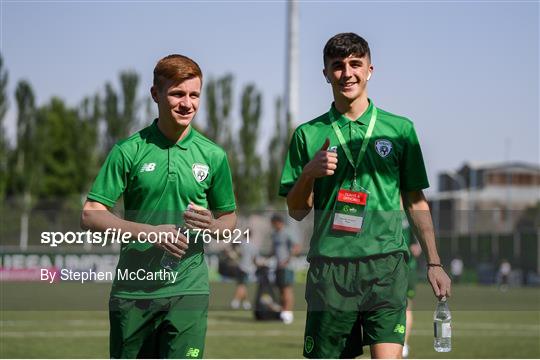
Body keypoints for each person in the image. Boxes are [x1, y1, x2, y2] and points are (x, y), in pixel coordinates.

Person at [279, 33, 451, 359]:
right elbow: (296, 210)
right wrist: (308, 174)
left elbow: (415, 201)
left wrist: (434, 261)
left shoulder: (400, 130)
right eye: (338, 66)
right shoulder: (308, 134)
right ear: (326, 73)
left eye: (355, 64)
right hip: (330, 270)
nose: (348, 73)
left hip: (386, 266)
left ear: (370, 69)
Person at [81, 54, 237, 359]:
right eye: (177, 94)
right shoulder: (128, 151)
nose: (187, 103)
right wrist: (149, 233)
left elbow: (228, 218)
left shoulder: (213, 155)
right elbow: (91, 213)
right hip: (133, 292)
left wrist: (214, 226)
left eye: (194, 95)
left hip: (188, 289)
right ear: (155, 93)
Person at [270, 213, 301, 324]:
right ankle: (283, 312)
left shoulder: (288, 232)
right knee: (281, 291)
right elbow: (273, 251)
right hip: (278, 266)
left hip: (288, 267)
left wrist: (288, 259)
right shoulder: (274, 234)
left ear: (279, 222)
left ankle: (288, 313)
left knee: (287, 290)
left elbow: (297, 247)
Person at [402, 217, 422, 358]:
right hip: (385, 267)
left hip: (407, 268)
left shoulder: (411, 214)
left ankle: (403, 343)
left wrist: (418, 245)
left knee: (407, 306)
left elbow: (417, 247)